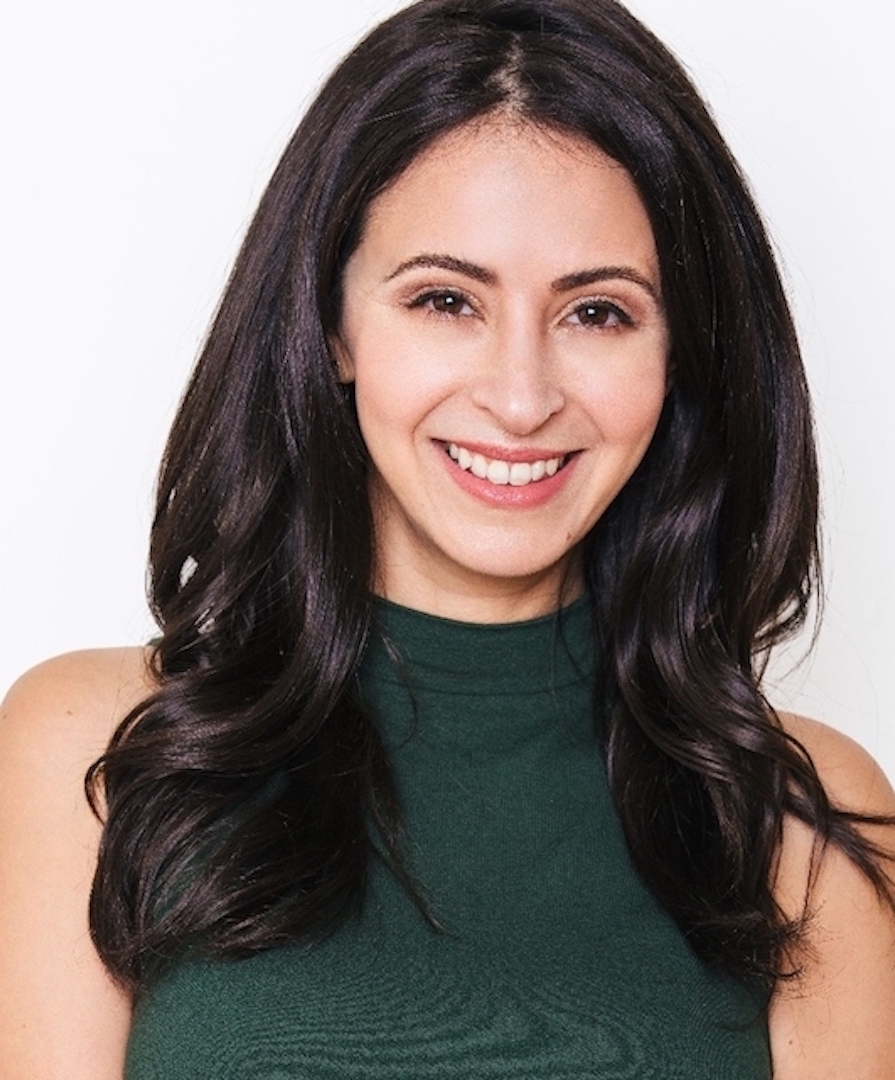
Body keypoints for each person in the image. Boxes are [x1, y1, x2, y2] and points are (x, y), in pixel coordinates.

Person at [1, 0, 894, 1076]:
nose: (520, 398)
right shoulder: (98, 751)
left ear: (680, 354)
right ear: (331, 324)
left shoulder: (809, 826)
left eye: (597, 312)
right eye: (444, 300)